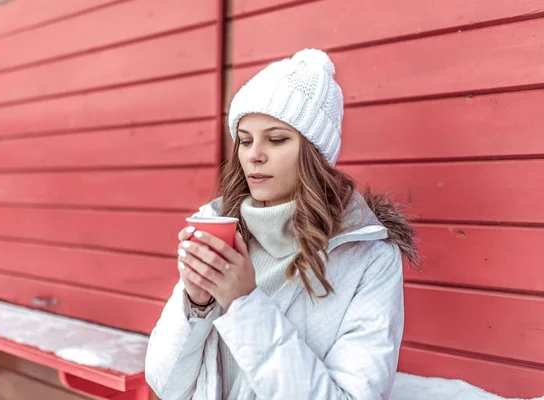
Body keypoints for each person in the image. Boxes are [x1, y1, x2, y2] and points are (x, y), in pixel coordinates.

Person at [145, 48, 419, 400]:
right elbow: (166, 385)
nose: (254, 154)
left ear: (314, 152)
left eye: (276, 139)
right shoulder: (225, 231)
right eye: (245, 140)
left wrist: (244, 303)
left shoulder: (368, 258)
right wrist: (196, 304)